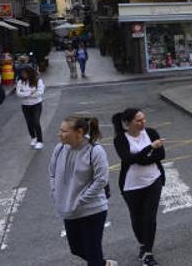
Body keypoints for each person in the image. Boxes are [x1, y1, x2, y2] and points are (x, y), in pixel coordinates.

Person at [49, 114, 115, 266]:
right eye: (60, 130)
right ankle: (104, 264)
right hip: (69, 209)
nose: (59, 134)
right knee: (76, 249)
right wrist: (55, 192)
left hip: (92, 210)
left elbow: (101, 179)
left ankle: (98, 262)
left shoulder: (95, 150)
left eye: (64, 131)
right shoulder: (59, 149)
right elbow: (52, 172)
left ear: (79, 132)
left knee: (93, 254)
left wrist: (82, 199)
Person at [112, 109, 166, 266]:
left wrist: (142, 158)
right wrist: (149, 148)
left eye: (144, 119)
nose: (143, 123)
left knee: (150, 218)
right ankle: (143, 244)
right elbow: (128, 159)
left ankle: (148, 253)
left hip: (153, 180)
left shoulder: (151, 133)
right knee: (137, 218)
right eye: (138, 120)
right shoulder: (121, 139)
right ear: (128, 123)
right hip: (131, 185)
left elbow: (160, 155)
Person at [17, 66, 46, 149]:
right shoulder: (20, 82)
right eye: (22, 73)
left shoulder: (38, 81)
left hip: (36, 104)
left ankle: (40, 141)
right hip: (25, 105)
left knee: (36, 122)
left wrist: (25, 93)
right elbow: (18, 93)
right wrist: (30, 93)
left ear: (29, 73)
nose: (23, 74)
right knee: (29, 123)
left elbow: (40, 92)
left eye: (24, 73)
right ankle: (33, 137)